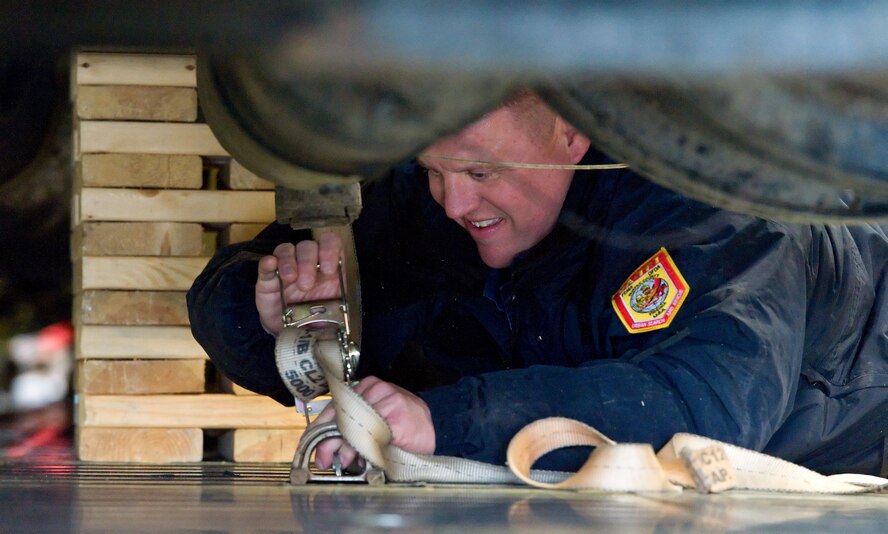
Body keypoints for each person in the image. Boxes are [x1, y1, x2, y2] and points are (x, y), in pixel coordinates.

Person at [188, 91, 888, 476]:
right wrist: (265, 309)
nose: (454, 202)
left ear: (570, 133)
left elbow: (711, 400)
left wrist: (449, 421)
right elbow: (242, 296)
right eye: (435, 171)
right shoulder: (424, 208)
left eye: (481, 173)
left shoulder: (711, 202)